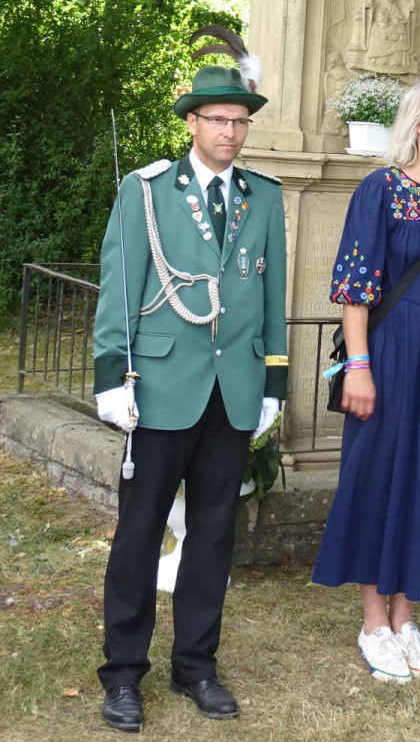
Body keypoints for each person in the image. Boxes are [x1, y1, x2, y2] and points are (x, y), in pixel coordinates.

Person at [92, 44, 288, 731]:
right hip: (160, 386)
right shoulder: (146, 190)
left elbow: (271, 295)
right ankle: (123, 674)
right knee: (139, 534)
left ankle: (196, 667)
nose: (230, 132)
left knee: (212, 535)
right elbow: (120, 287)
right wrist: (111, 376)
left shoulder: (263, 197)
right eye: (217, 120)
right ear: (192, 123)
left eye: (239, 121)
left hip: (232, 391)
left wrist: (273, 383)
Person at [312, 77, 420, 683]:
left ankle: (406, 618)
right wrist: (358, 367)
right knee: (380, 475)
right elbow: (355, 286)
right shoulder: (380, 189)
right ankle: (372, 624)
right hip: (390, 350)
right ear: (418, 122)